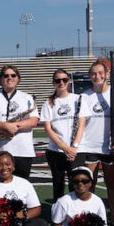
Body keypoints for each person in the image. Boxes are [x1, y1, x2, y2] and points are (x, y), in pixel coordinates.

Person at [75, 60, 114, 205]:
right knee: (88, 185)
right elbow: (81, 123)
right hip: (90, 146)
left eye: (100, 73)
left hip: (110, 147)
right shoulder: (84, 96)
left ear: (107, 74)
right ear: (89, 76)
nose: (97, 76)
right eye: (93, 73)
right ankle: (89, 216)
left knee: (112, 184)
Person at [0, 65, 39, 179]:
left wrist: (15, 126)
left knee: (22, 189)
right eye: (6, 76)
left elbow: (34, 120)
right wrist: (5, 126)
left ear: (18, 79)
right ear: (1, 79)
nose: (10, 78)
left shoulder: (27, 97)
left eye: (13, 75)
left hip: (23, 151)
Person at [41, 70, 87, 200]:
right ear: (53, 83)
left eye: (64, 80)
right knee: (58, 184)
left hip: (77, 150)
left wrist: (74, 147)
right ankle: (58, 215)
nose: (61, 83)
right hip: (56, 151)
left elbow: (81, 124)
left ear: (69, 81)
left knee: (77, 184)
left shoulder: (78, 99)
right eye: (57, 80)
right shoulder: (48, 103)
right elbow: (48, 129)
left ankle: (77, 214)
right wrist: (65, 148)